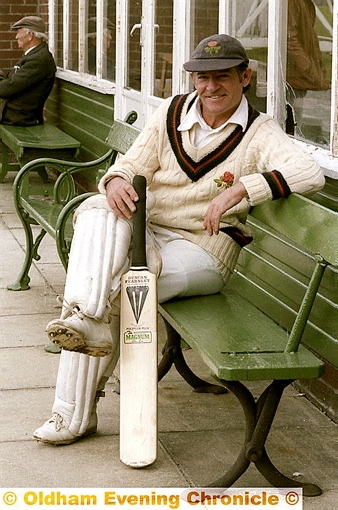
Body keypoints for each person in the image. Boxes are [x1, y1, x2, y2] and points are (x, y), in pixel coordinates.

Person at [33, 34, 325, 445]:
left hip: (203, 252)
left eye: (222, 76)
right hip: (147, 232)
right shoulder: (171, 112)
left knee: (116, 294)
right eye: (201, 79)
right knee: (99, 208)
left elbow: (309, 173)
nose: (210, 88)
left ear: (246, 77)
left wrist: (241, 190)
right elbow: (132, 162)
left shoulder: (261, 131)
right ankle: (85, 325)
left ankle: (72, 412)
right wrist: (116, 179)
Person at [0, 16, 56, 126]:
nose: (16, 37)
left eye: (18, 32)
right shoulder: (34, 55)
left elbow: (8, 88)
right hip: (12, 111)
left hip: (19, 116)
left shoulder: (39, 59)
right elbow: (11, 82)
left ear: (30, 35)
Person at [286, 0, 330, 137]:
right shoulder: (293, 2)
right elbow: (289, 38)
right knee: (291, 116)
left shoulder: (304, 3)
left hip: (297, 71)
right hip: (293, 73)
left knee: (294, 114)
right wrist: (307, 67)